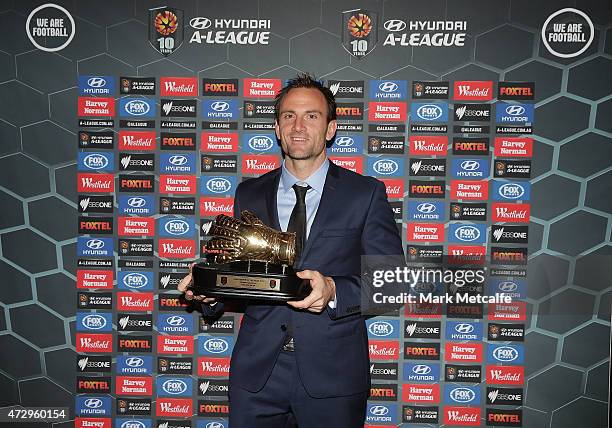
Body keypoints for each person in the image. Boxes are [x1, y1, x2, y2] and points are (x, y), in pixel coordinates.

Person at [178, 73, 403, 427]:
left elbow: (391, 283)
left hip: (334, 374)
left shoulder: (365, 193)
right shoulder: (249, 193)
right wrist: (209, 291)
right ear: (278, 128)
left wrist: (332, 290)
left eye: (312, 116)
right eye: (288, 116)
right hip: (257, 374)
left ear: (330, 129)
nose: (299, 126)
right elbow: (241, 271)